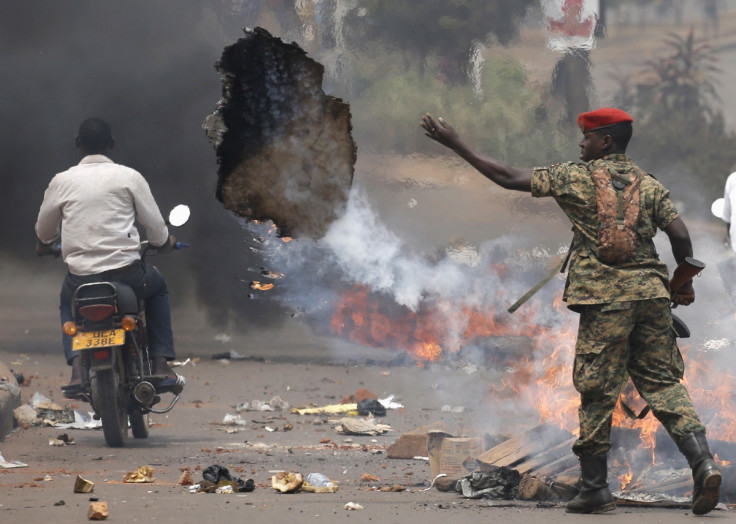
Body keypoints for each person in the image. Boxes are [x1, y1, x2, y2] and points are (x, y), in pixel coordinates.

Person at [420, 108, 720, 515]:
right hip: (651, 298)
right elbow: (681, 234)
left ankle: (595, 489)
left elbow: (507, 177)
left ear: (606, 142)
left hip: (605, 300)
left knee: (597, 391)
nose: (581, 144)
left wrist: (455, 142)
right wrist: (682, 283)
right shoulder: (649, 184)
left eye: (587, 138)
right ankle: (702, 464)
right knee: (664, 385)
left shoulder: (575, 177)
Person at [35, 117, 183, 390]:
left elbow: (44, 231)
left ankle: (78, 369)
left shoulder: (61, 181)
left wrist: (45, 245)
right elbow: (155, 227)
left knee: (67, 301)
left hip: (81, 280)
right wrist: (165, 242)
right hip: (127, 275)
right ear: (112, 144)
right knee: (158, 286)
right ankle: (161, 364)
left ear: (78, 144)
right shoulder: (129, 177)